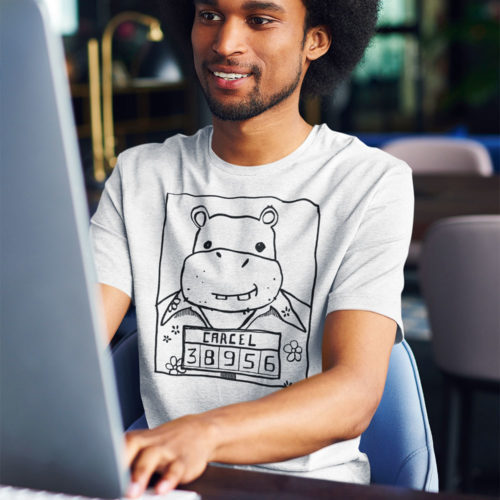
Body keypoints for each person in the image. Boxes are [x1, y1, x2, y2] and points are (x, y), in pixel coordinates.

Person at [90, 0, 414, 497]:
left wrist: (204, 433)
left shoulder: (370, 183)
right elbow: (71, 344)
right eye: (209, 15)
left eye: (260, 20)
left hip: (309, 487)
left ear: (316, 41)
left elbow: (354, 395)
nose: (224, 44)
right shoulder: (140, 176)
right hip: (164, 486)